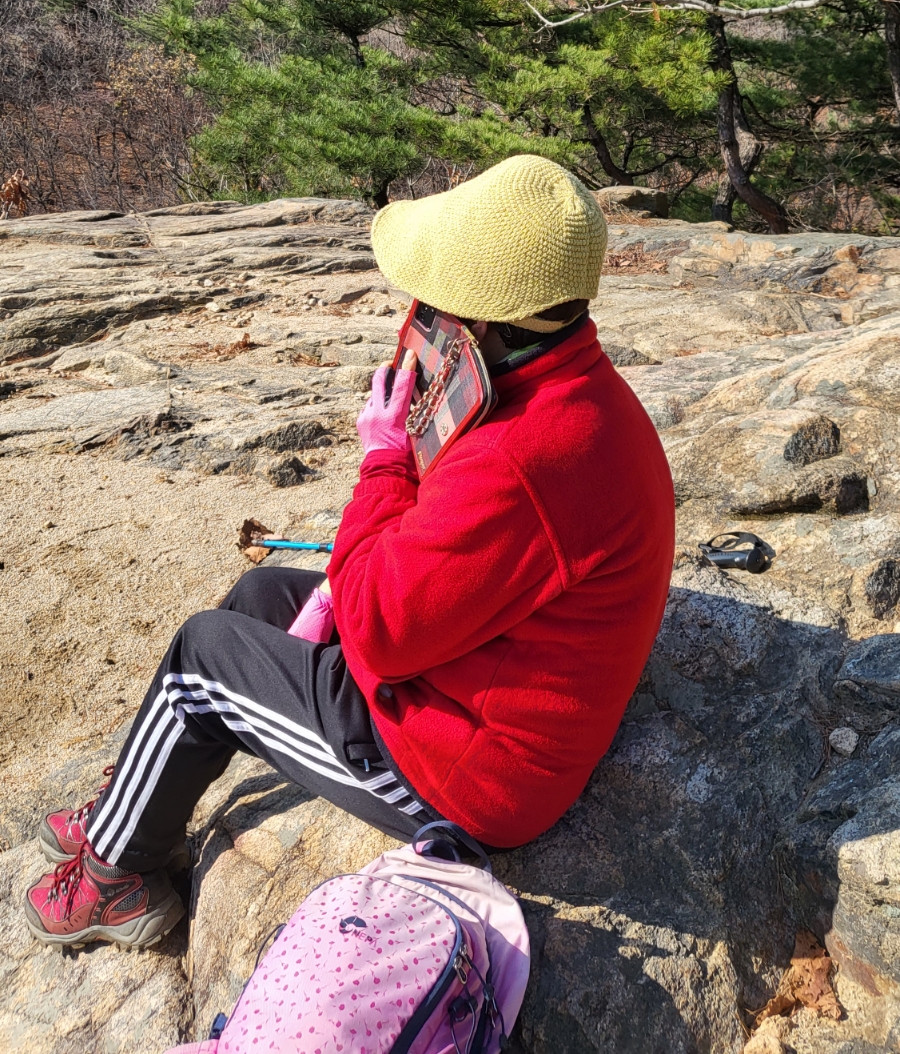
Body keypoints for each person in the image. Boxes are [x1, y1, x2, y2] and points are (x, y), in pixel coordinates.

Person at [24, 154, 675, 949]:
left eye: (439, 304)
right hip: (470, 683)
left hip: (462, 775)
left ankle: (114, 880)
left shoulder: (522, 456)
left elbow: (376, 631)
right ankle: (135, 795)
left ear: (494, 323)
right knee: (262, 598)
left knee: (202, 658)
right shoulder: (577, 394)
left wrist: (386, 458)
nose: (421, 317)